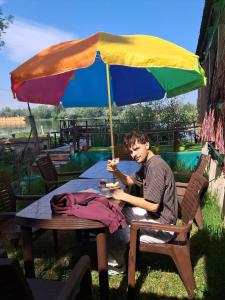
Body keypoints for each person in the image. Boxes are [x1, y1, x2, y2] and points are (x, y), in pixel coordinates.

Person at [106, 130, 178, 274]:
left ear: (147, 144)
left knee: (115, 234)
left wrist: (123, 196)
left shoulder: (155, 167)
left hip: (164, 227)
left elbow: (152, 205)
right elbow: (130, 180)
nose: (134, 154)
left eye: (137, 148)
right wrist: (115, 171)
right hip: (158, 218)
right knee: (116, 214)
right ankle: (119, 252)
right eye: (131, 151)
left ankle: (116, 266)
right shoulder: (149, 163)